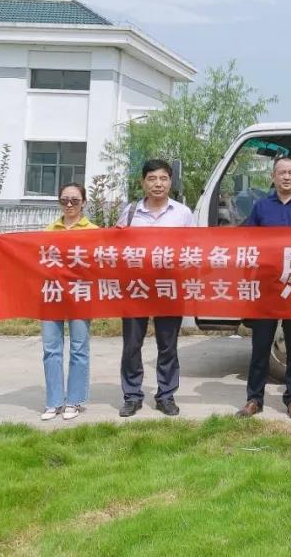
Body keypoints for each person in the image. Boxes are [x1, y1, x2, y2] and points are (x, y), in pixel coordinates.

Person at [236, 157, 291, 421]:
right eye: (281, 172)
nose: (286, 177)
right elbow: (247, 241)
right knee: (261, 345)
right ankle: (254, 399)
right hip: (266, 288)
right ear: (273, 177)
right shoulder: (261, 207)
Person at [115, 159, 194, 418]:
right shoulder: (130, 213)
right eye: (152, 178)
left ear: (170, 182)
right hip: (136, 288)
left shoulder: (182, 213)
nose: (158, 184)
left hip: (169, 287)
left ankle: (166, 395)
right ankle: (132, 395)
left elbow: (194, 249)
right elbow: (115, 248)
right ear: (143, 182)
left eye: (163, 178)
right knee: (132, 345)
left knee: (168, 345)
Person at [40, 182, 97, 421]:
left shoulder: (94, 231)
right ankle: (53, 402)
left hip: (80, 295)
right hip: (52, 295)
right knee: (51, 348)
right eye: (64, 200)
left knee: (78, 348)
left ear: (84, 202)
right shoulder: (49, 230)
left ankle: (74, 400)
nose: (70, 204)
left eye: (75, 200)